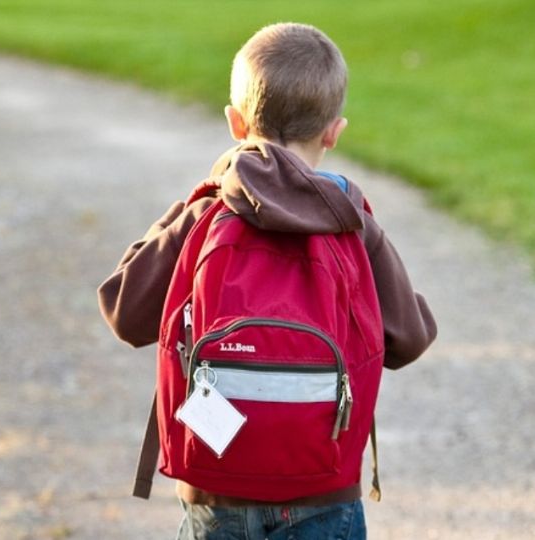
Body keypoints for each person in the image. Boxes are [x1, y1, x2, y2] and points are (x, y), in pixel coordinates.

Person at [98, 22, 436, 540]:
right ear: (333, 132)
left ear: (235, 123)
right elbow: (407, 341)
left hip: (216, 490)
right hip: (323, 491)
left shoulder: (207, 214)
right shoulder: (352, 223)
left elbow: (125, 310)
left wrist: (185, 210)